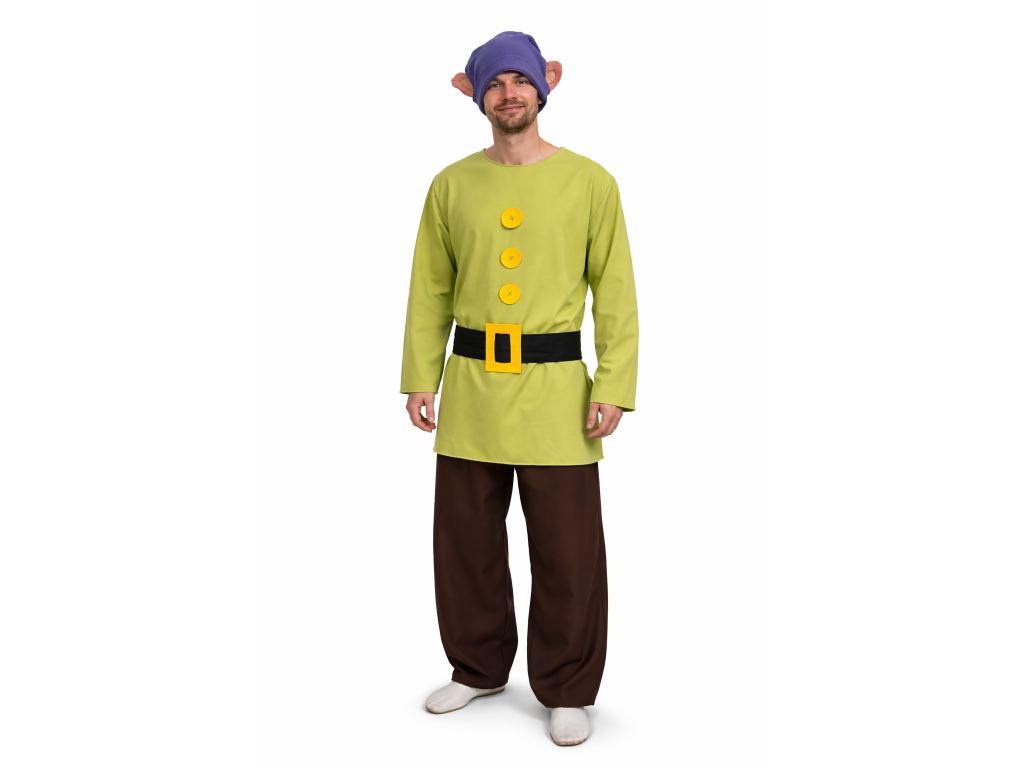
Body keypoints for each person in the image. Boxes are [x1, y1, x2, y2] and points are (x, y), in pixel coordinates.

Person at [400, 30, 639, 747]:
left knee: (568, 550)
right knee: (465, 542)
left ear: (546, 84)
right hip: (471, 387)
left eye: (521, 80)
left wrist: (614, 383)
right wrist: (419, 376)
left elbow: (616, 291)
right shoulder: (450, 185)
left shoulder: (591, 182)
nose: (509, 94)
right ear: (474, 95)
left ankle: (567, 686)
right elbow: (429, 289)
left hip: (557, 392)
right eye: (495, 83)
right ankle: (477, 668)